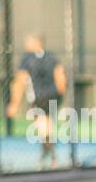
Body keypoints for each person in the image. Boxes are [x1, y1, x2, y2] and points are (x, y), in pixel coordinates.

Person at [6, 33, 67, 170]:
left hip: (38, 97)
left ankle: (51, 157)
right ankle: (48, 156)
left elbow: (20, 80)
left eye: (28, 42)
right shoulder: (52, 57)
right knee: (46, 125)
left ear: (36, 43)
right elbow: (60, 75)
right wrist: (60, 94)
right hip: (53, 95)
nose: (26, 44)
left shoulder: (27, 59)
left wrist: (14, 104)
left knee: (43, 126)